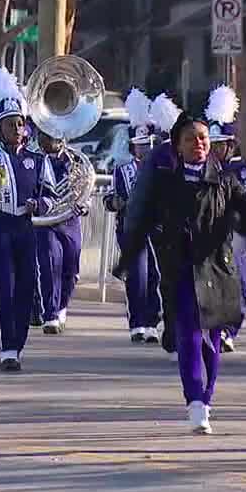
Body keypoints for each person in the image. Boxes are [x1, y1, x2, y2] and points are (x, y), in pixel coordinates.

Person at [116, 112, 246, 434]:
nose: (198, 144)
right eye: (190, 139)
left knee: (212, 340)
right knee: (188, 333)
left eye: (202, 138)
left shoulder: (225, 179)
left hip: (216, 267)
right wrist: (128, 260)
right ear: (177, 146)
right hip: (180, 269)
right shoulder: (165, 181)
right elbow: (141, 220)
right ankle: (195, 402)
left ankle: (207, 399)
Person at [0, 67, 55, 372]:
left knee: (26, 285)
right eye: (11, 124)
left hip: (24, 226)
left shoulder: (38, 159)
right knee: (4, 284)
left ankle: (17, 342)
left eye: (21, 123)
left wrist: (39, 204)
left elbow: (49, 195)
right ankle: (7, 347)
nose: (18, 128)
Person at [124, 92, 184, 354]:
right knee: (150, 277)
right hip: (151, 228)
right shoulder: (152, 160)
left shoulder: (186, 158)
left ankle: (172, 325)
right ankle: (152, 324)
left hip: (179, 230)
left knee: (171, 280)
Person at [105, 89, 162, 344]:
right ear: (132, 147)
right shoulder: (121, 171)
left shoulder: (162, 169)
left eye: (148, 146)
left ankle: (152, 321)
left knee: (156, 275)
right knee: (137, 275)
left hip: (158, 229)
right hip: (131, 229)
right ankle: (137, 322)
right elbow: (109, 199)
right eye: (140, 146)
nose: (144, 150)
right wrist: (116, 202)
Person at [205, 85, 246, 353]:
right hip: (208, 235)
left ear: (230, 145)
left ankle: (228, 331)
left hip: (237, 235)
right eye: (211, 144)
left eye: (220, 144)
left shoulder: (245, 172)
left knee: (238, 284)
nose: (215, 149)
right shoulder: (201, 170)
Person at [34, 126, 86, 334]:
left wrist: (85, 203)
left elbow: (85, 186)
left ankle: (62, 305)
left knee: (71, 271)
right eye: (42, 134)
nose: (45, 139)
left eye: (50, 134)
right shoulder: (34, 160)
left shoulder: (76, 161)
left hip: (70, 220)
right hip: (46, 222)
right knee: (49, 266)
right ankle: (51, 314)